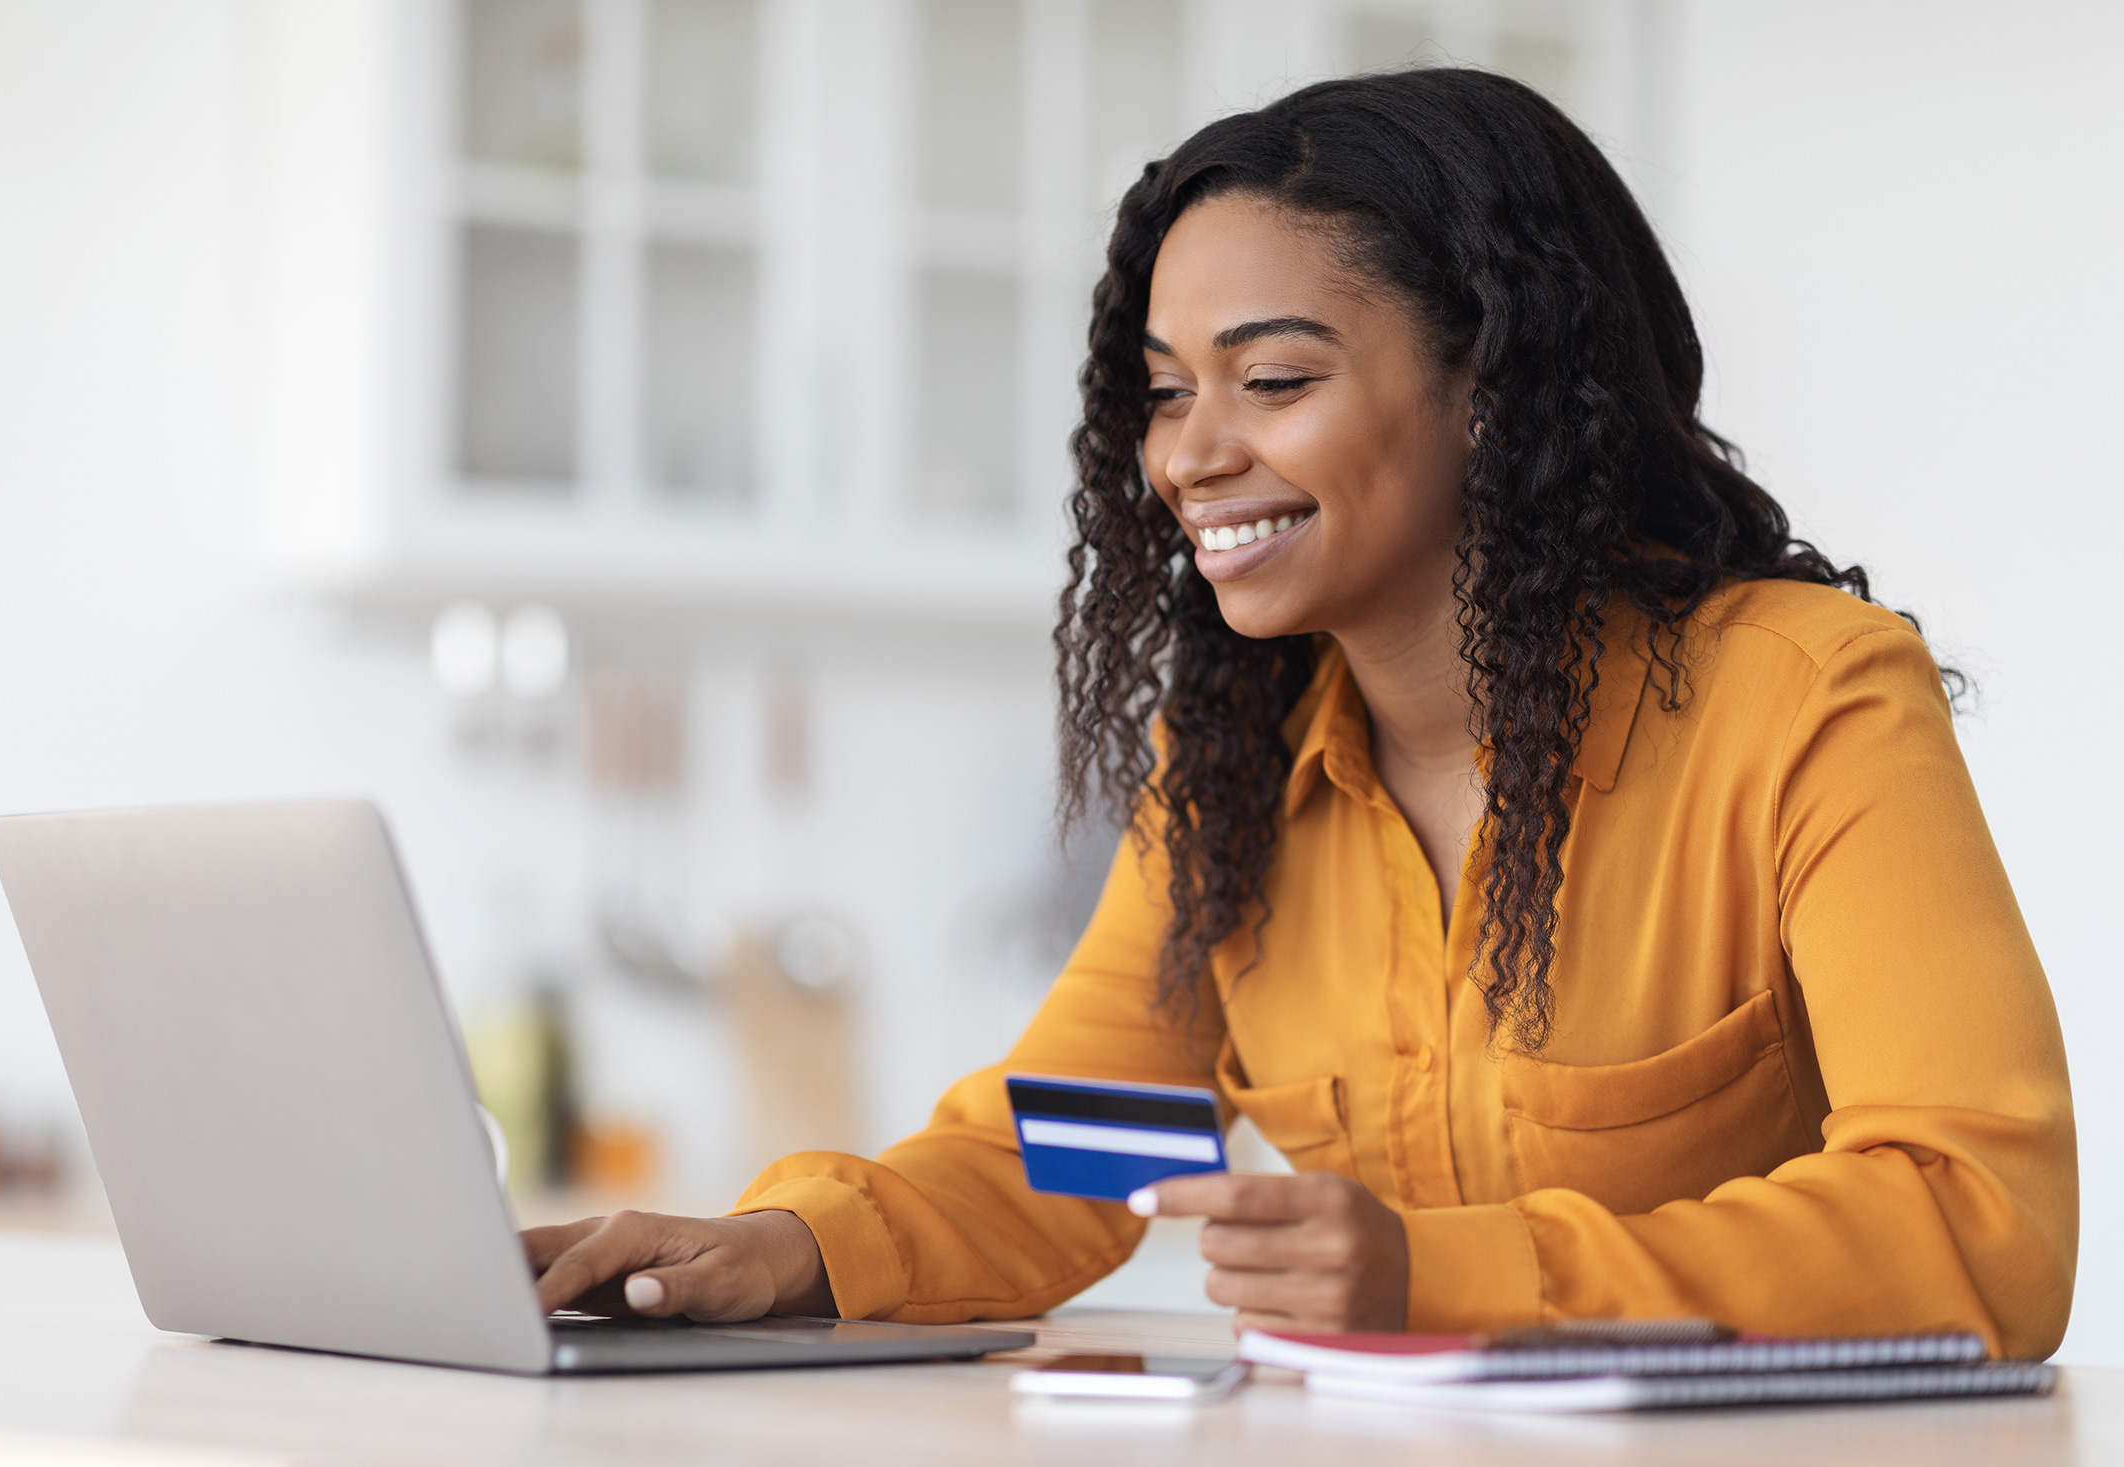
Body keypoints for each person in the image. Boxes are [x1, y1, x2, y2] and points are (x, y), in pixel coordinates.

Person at [523, 69, 2075, 1357]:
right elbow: (1078, 1150)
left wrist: (1442, 1275)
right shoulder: (1235, 777)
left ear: (1495, 385)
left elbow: (1977, 1223)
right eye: (1164, 390)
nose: (1191, 453)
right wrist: (781, 1248)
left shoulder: (1805, 703)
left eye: (1270, 380)